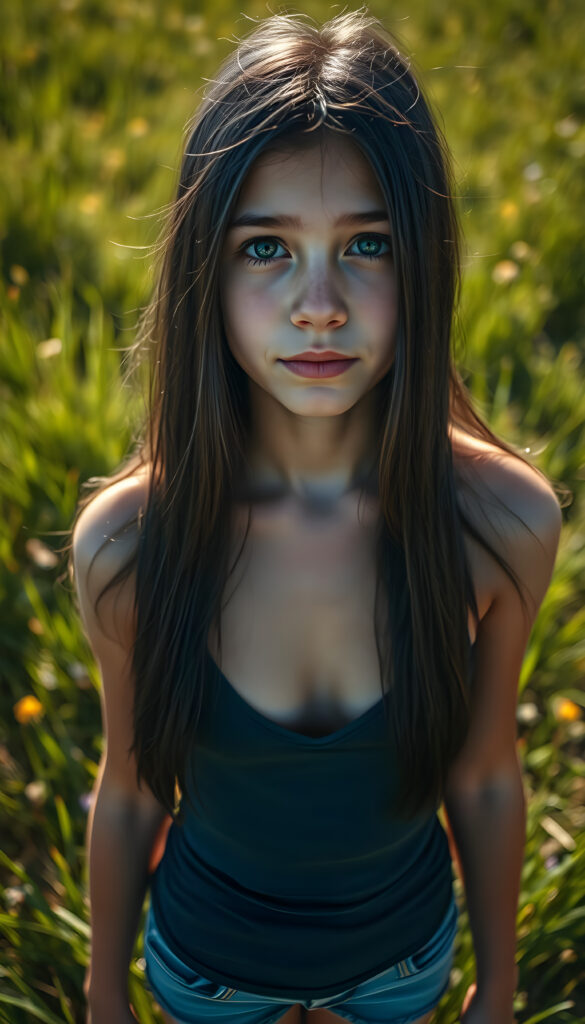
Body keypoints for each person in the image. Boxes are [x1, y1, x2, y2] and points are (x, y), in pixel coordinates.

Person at [69, 8, 562, 1024]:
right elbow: (129, 790)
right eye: (266, 249)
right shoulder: (128, 545)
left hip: (400, 967)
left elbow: (483, 776)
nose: (319, 304)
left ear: (423, 258)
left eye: (367, 243)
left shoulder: (501, 524)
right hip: (207, 968)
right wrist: (102, 992)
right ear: (204, 271)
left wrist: (500, 987)